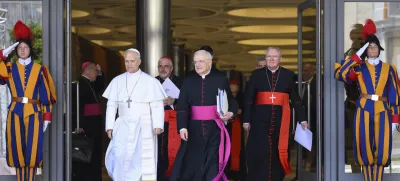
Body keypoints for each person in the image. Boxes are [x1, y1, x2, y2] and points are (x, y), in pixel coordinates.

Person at [334, 19, 400, 181]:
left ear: (379, 49)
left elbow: (395, 93)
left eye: (374, 47)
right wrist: (359, 53)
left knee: (382, 149)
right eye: (369, 47)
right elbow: (340, 74)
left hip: (383, 109)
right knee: (364, 149)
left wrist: (395, 118)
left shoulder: (390, 68)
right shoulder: (358, 67)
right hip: (363, 108)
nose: (372, 50)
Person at [0, 20, 57, 181]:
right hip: (15, 112)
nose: (22, 50)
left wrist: (47, 116)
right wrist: (3, 54)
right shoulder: (9, 68)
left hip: (34, 112)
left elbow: (47, 96)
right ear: (15, 50)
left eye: (25, 47)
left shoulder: (40, 69)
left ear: (30, 49)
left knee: (33, 151)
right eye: (19, 48)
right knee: (17, 150)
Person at [170, 50, 238, 181]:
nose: (197, 64)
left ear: (209, 63)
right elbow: (182, 106)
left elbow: (231, 101)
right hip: (193, 129)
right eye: (195, 62)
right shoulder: (188, 81)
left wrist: (231, 112)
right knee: (192, 163)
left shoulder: (221, 79)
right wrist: (182, 127)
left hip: (214, 129)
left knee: (213, 162)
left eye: (201, 61)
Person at [244, 47, 308, 180]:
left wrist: (302, 119)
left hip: (281, 121)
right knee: (261, 152)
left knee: (277, 152)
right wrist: (246, 120)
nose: (271, 59)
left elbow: (296, 99)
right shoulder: (257, 75)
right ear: (265, 59)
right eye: (269, 57)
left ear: (280, 59)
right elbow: (249, 99)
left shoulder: (288, 75)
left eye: (275, 57)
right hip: (259, 121)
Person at [103, 48, 167, 180]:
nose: (129, 64)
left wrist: (158, 124)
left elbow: (156, 105)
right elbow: (111, 105)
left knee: (140, 158)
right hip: (122, 124)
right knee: (119, 154)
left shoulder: (150, 81)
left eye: (132, 61)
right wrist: (109, 126)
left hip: (144, 125)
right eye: (127, 61)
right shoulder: (117, 81)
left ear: (139, 62)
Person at [72, 62, 105, 181]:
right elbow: (76, 106)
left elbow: (100, 86)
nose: (96, 74)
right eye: (95, 72)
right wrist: (79, 124)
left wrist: (100, 72)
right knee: (88, 153)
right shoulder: (79, 83)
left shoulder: (90, 84)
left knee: (95, 152)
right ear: (89, 70)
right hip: (87, 125)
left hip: (94, 124)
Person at [155, 56, 183, 180]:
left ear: (171, 68)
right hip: (157, 123)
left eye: (166, 66)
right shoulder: (152, 81)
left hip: (175, 123)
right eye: (160, 66)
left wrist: (174, 100)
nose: (163, 69)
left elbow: (189, 101)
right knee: (158, 154)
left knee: (174, 153)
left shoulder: (181, 82)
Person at [225, 80, 246, 181]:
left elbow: (243, 109)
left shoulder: (242, 97)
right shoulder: (225, 96)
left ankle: (237, 172)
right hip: (227, 127)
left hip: (238, 126)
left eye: (235, 92)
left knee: (238, 149)